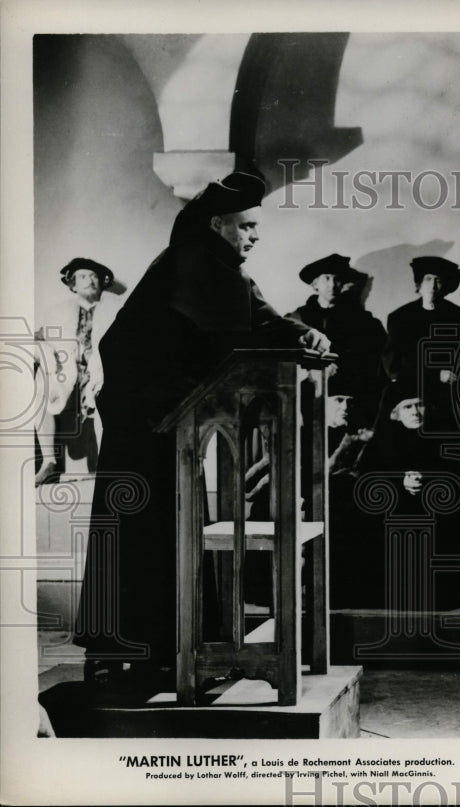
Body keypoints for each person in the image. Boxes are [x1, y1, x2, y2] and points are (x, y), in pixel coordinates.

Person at [73, 171, 331, 686]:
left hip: (170, 420)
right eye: (247, 225)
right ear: (218, 224)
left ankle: (171, 650)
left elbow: (259, 321)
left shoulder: (216, 265)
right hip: (149, 420)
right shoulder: (194, 261)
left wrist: (303, 333)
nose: (255, 236)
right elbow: (238, 331)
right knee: (145, 532)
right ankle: (142, 653)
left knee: (172, 530)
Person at [33, 258, 122, 484]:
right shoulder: (57, 313)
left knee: (113, 395)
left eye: (94, 276)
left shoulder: (115, 308)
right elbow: (38, 340)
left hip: (104, 369)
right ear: (73, 284)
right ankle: (49, 461)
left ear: (102, 283)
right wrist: (46, 353)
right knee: (41, 385)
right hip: (67, 370)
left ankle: (108, 467)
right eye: (83, 276)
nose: (90, 280)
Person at [288, 253, 387, 424]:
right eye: (326, 278)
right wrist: (315, 369)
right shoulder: (297, 320)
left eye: (337, 279)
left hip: (350, 398)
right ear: (315, 284)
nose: (332, 285)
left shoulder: (363, 321)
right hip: (309, 395)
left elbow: (375, 361)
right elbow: (286, 359)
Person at [381, 256, 460, 423]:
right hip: (412, 391)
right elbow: (393, 366)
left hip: (448, 392)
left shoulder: (458, 316)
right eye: (428, 279)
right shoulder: (400, 317)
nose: (433, 286)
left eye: (438, 280)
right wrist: (435, 375)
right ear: (419, 284)